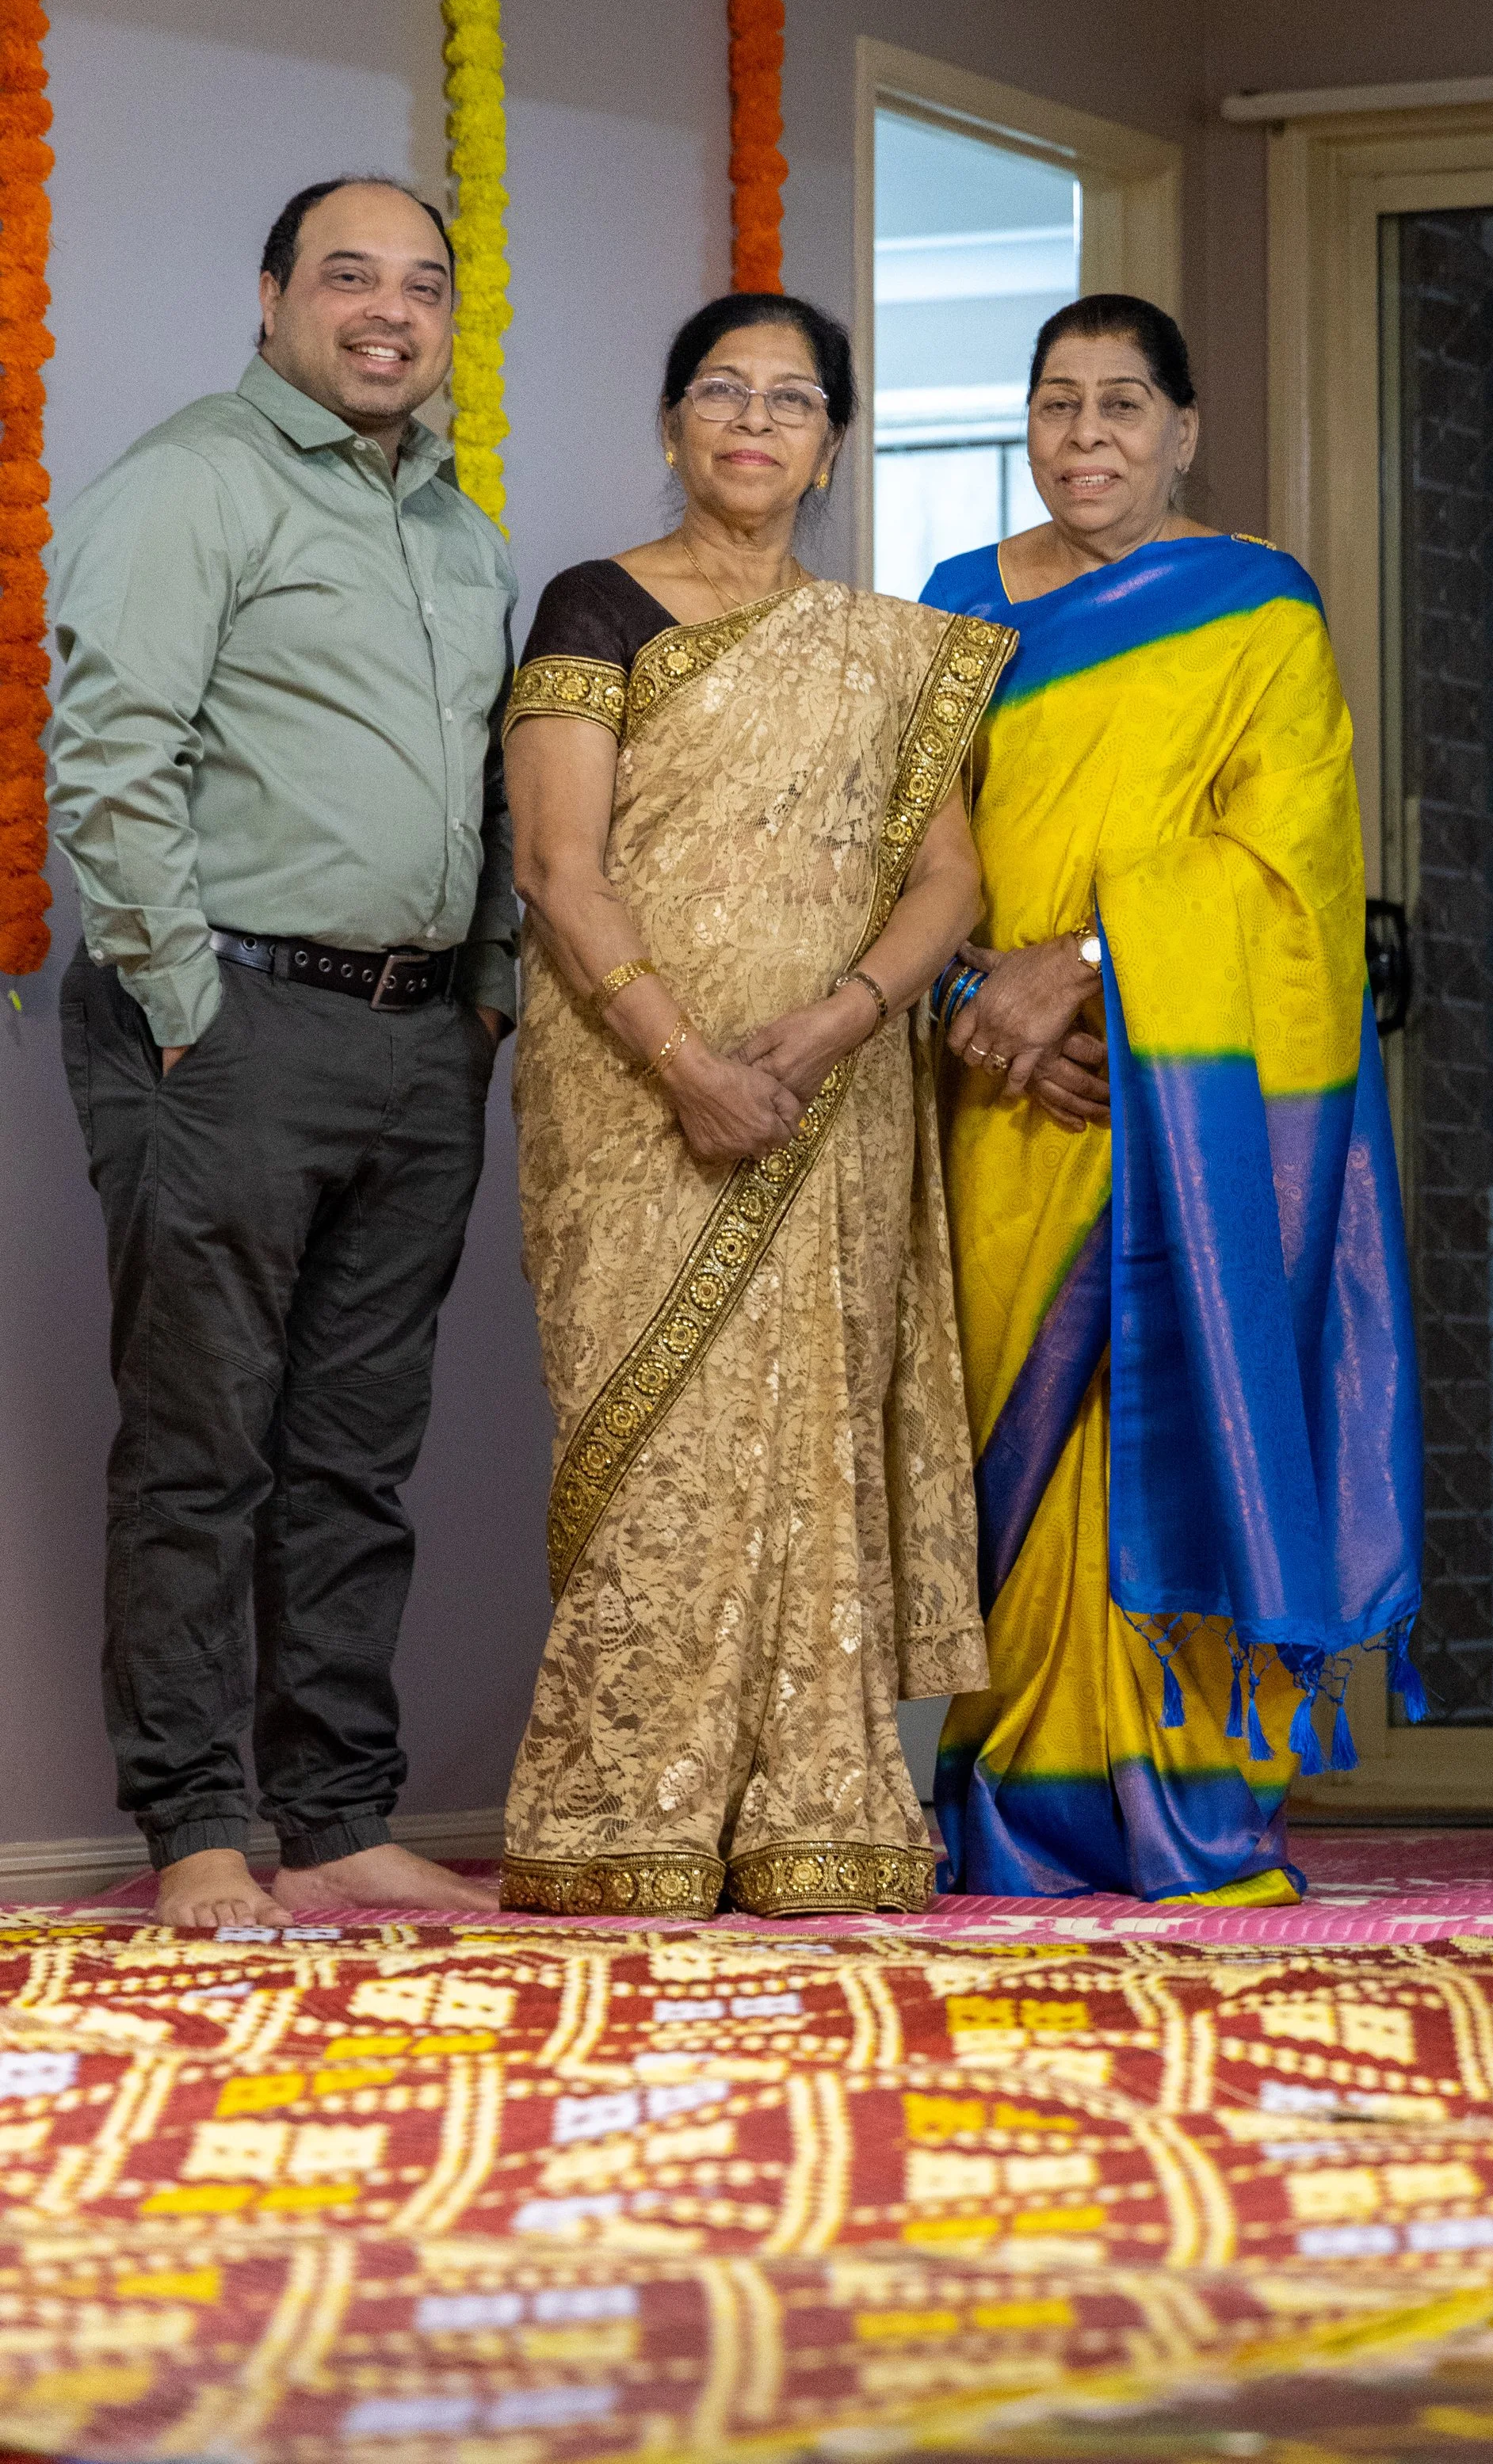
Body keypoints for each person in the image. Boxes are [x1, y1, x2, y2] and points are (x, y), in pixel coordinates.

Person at [498, 292, 1010, 1920]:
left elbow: (950, 877)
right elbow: (555, 868)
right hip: (635, 1091)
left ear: (832, 448)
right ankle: (618, 1815)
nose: (752, 421)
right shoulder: (596, 604)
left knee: (815, 1440)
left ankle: (817, 1808)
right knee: (655, 1440)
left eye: (791, 401)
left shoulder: (883, 654)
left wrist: (838, 1022)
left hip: (831, 1096)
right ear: (671, 425)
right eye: (720, 390)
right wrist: (688, 1064)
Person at [49, 176, 517, 1934]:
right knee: (201, 1447)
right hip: (228, 1025)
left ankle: (330, 1818)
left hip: (417, 1047)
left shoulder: (461, 536)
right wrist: (190, 1010)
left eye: (421, 284)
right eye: (347, 276)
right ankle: (197, 1830)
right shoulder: (192, 482)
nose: (386, 310)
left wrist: (485, 998)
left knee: (352, 1454)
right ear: (270, 300)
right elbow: (111, 756)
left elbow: (484, 791)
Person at [922, 294, 1424, 1905]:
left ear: (1182, 430)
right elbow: (897, 857)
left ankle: (1186, 1810)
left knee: (1162, 1410)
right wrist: (975, 1002)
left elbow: (1290, 871)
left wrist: (1080, 961)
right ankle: (1010, 1801)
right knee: (1006, 1434)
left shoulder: (1256, 611)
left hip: (1176, 1107)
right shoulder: (950, 608)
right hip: (1003, 1093)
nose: (1085, 438)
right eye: (1056, 405)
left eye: (1122, 406)